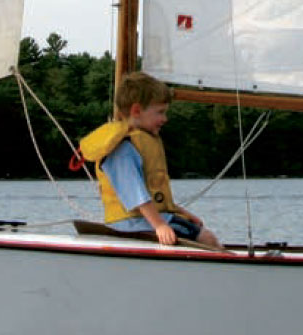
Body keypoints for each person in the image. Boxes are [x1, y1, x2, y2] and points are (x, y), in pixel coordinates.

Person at [77, 72, 221, 248]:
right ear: (137, 111)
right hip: (132, 223)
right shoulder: (123, 148)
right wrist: (159, 225)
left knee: (197, 230)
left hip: (144, 219)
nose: (165, 119)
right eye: (160, 112)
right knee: (206, 239)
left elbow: (155, 195)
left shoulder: (142, 141)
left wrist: (181, 213)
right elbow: (136, 195)